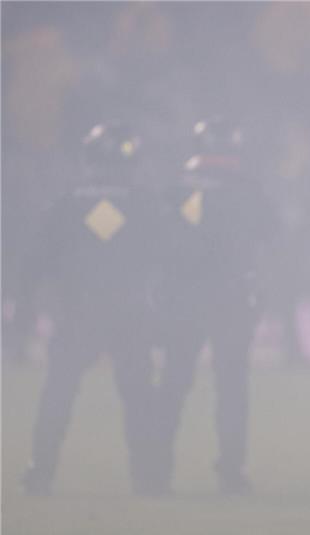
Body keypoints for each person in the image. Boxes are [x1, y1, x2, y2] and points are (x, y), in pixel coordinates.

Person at [18, 122, 161, 495]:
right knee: (138, 396)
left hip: (76, 312)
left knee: (58, 392)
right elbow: (166, 258)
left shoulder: (65, 204)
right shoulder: (146, 203)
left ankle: (40, 471)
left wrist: (28, 311)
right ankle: (147, 476)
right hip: (129, 313)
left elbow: (36, 262)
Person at [153, 117, 277, 495]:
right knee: (232, 389)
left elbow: (156, 243)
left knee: (173, 384)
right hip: (231, 300)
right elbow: (273, 238)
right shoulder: (248, 190)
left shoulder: (176, 189)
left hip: (183, 301)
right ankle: (230, 472)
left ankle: (155, 471)